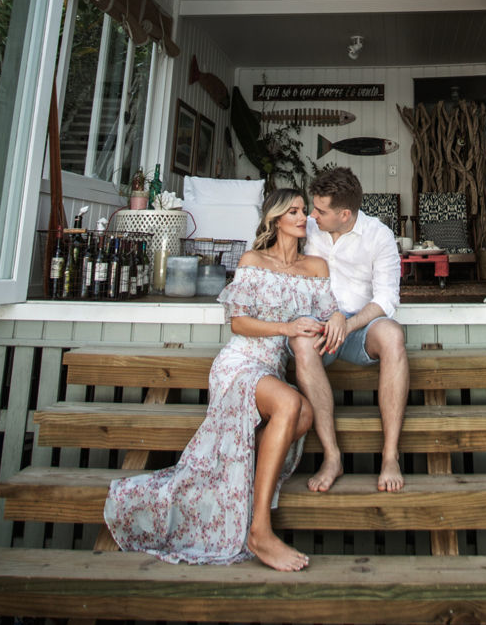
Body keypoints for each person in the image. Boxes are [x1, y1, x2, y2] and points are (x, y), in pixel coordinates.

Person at [104, 189, 336, 572]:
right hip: (240, 362)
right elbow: (239, 322)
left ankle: (238, 471)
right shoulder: (252, 260)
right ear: (275, 219)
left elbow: (328, 316)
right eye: (292, 211)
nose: (301, 217)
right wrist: (287, 326)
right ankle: (260, 530)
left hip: (272, 368)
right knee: (290, 405)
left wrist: (334, 321)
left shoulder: (316, 268)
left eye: (302, 211)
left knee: (305, 417)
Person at [290, 166, 409, 494]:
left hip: (360, 327)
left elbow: (387, 299)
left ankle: (389, 456)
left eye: (320, 210)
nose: (311, 215)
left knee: (393, 335)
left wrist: (348, 321)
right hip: (317, 326)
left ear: (345, 214)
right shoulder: (310, 229)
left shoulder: (378, 235)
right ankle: (332, 456)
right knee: (301, 345)